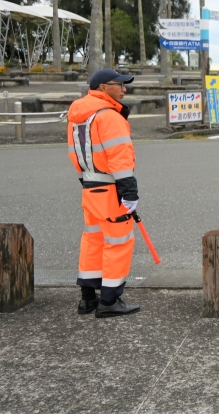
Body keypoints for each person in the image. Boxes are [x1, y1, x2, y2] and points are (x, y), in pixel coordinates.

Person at [67, 69, 141, 318]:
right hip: (110, 189)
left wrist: (85, 181)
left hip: (90, 187)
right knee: (118, 242)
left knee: (92, 241)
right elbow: (120, 157)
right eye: (119, 84)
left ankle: (87, 300)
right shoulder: (109, 116)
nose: (124, 89)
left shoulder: (78, 117)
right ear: (102, 87)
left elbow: (75, 155)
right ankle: (110, 301)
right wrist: (129, 191)